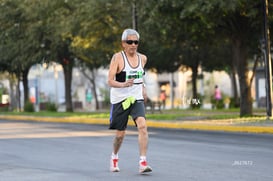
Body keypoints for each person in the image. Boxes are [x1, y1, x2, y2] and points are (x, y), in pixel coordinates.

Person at [107, 28, 152, 173]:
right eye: (130, 42)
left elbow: (140, 76)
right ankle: (114, 157)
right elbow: (110, 81)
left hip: (135, 98)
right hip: (120, 99)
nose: (133, 45)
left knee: (142, 126)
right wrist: (123, 84)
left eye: (136, 42)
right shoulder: (117, 58)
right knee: (120, 135)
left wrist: (143, 88)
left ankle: (142, 162)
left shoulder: (143, 58)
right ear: (123, 44)